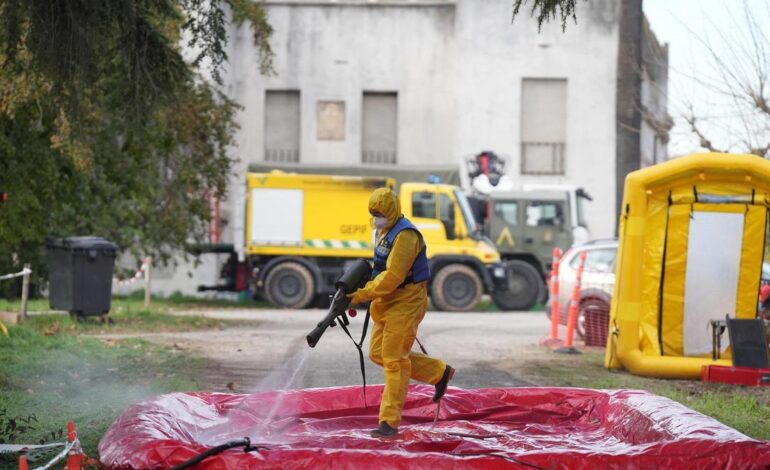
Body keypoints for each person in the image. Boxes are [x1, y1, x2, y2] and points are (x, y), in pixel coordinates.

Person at [348, 187, 454, 438]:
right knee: (378, 353)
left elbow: (393, 277)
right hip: (387, 300)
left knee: (394, 359)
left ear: (391, 210)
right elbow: (380, 270)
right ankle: (439, 373)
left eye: (380, 213)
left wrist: (360, 295)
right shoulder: (383, 231)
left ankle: (389, 422)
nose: (376, 218)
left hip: (406, 301)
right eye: (373, 213)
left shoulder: (406, 236)